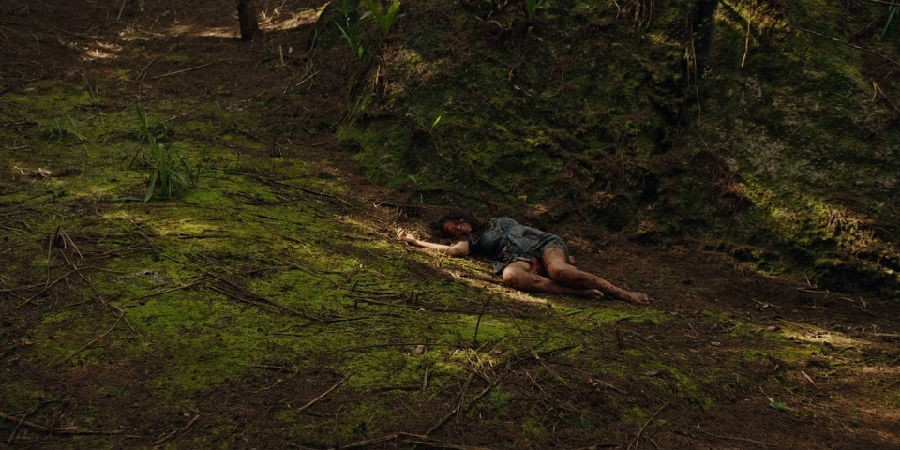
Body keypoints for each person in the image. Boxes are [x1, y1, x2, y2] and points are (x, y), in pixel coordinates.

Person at [397, 211, 650, 305]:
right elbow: (456, 252)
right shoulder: (470, 241)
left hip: (543, 244)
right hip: (517, 258)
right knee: (510, 276)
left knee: (560, 271)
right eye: (452, 231)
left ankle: (623, 293)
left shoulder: (493, 221)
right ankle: (576, 292)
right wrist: (416, 243)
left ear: (462, 217)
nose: (458, 228)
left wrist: (562, 255)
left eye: (457, 223)